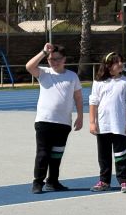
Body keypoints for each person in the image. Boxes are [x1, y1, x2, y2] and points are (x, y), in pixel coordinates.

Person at [25, 43, 83, 193]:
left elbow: (78, 97)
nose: (54, 62)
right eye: (51, 59)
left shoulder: (72, 76)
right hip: (44, 121)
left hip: (63, 122)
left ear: (64, 59)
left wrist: (80, 116)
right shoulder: (44, 73)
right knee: (43, 153)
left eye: (57, 59)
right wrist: (44, 52)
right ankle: (38, 182)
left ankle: (53, 181)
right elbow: (29, 66)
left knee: (57, 154)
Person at [88, 52, 126, 192]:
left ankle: (124, 181)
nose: (121, 64)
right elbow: (93, 102)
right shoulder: (98, 82)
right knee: (103, 155)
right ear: (108, 65)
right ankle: (104, 181)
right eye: (117, 62)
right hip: (103, 125)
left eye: (121, 61)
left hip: (120, 125)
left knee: (121, 154)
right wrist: (92, 122)